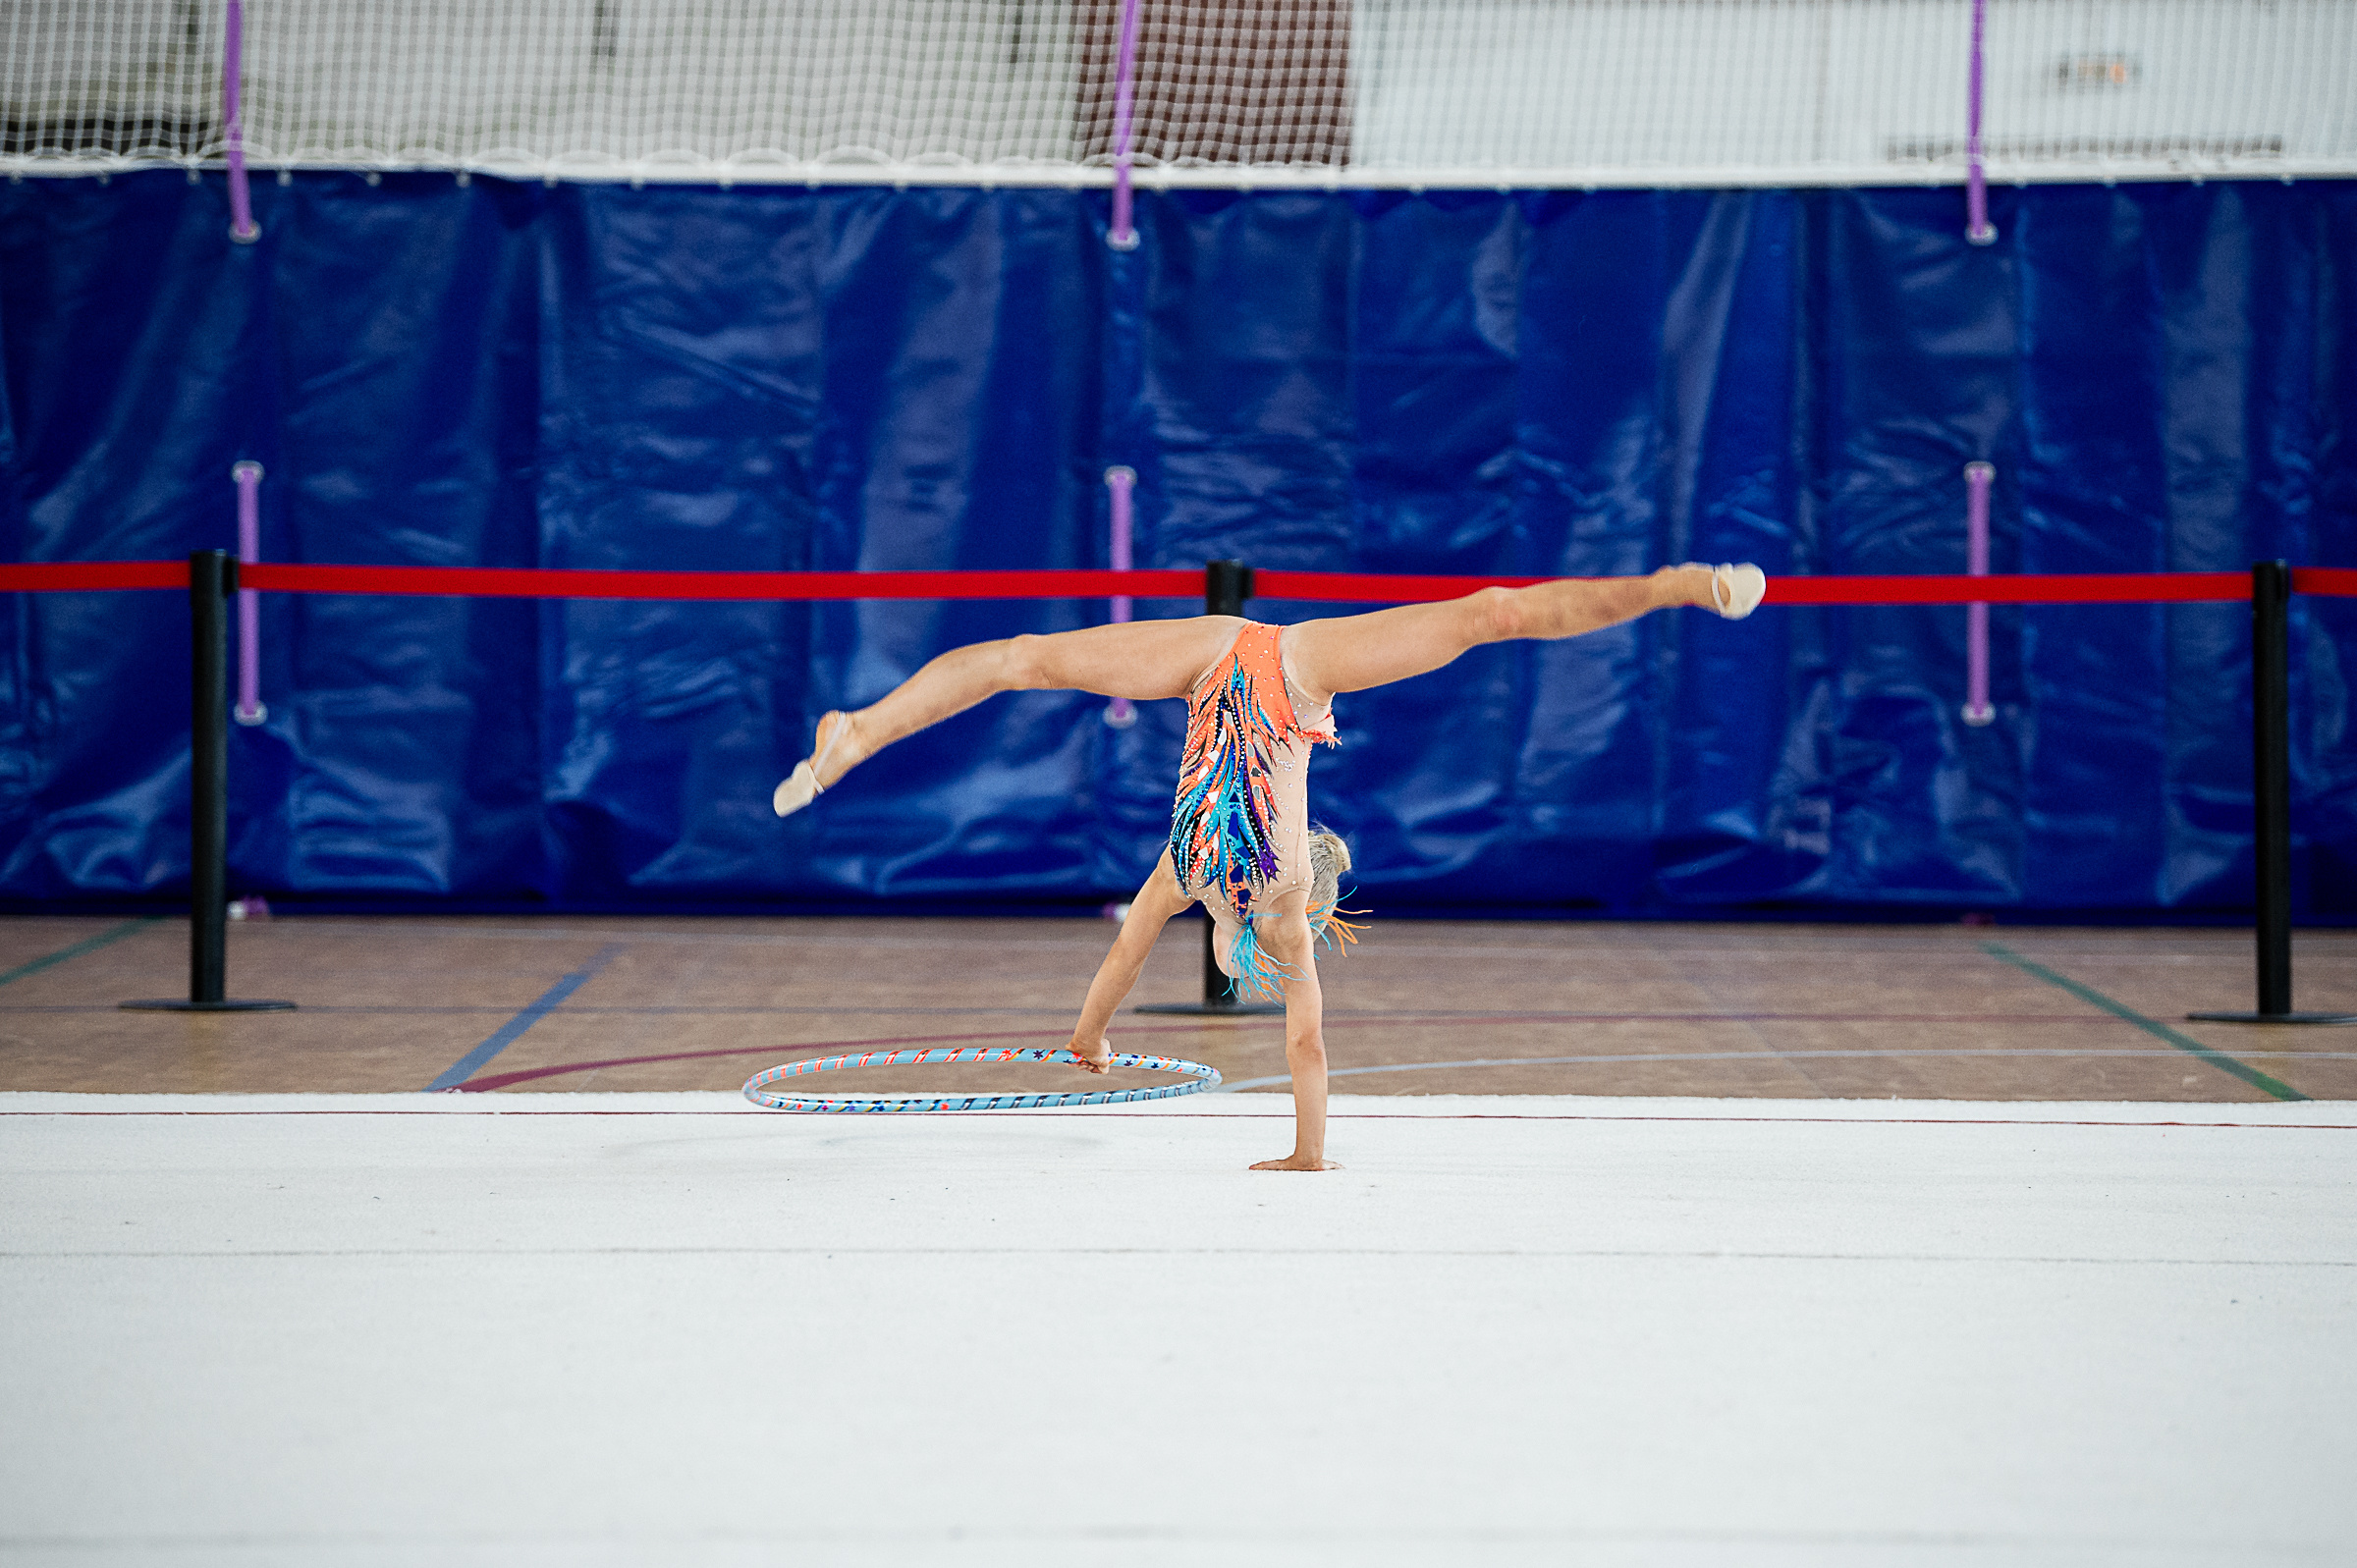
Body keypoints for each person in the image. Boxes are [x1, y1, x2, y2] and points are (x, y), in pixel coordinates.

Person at [774, 562, 1767, 1169]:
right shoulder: (1286, 906)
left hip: (1216, 663)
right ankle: (853, 731)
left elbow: (1123, 963)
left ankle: (856, 728)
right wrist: (1307, 1152)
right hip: (1292, 669)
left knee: (1028, 656)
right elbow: (1307, 1046)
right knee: (1484, 613)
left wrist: (1086, 1044)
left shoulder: (1189, 871)